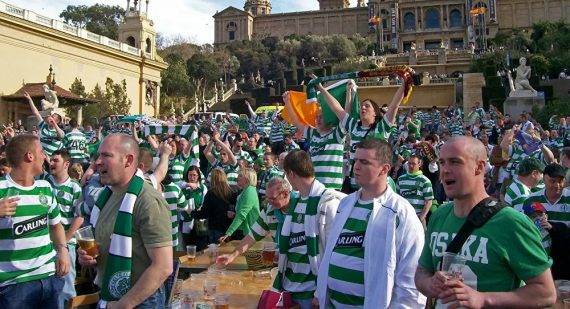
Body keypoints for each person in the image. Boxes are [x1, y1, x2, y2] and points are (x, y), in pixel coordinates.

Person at [415, 136, 556, 308]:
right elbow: (422, 272)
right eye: (443, 162)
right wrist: (430, 284)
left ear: (479, 167)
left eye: (455, 162)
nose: (445, 170)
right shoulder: (439, 216)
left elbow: (546, 293)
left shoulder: (511, 222)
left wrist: (483, 299)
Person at [316, 139, 426, 308]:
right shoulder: (345, 204)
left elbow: (410, 281)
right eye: (356, 160)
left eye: (364, 162)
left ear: (384, 169)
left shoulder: (401, 213)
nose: (356, 167)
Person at [78, 134, 173, 308]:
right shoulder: (106, 197)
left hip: (141, 301)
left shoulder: (148, 200)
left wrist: (124, 305)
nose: (98, 162)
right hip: (108, 294)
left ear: (128, 160)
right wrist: (88, 257)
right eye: (98, 156)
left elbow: (163, 266)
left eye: (106, 156)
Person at [0, 134, 70, 308]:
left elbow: (56, 225)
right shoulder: (1, 188)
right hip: (13, 285)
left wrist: (62, 250)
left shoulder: (45, 188)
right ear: (30, 156)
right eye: (41, 152)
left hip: (49, 277)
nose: (45, 157)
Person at [272, 150, 344, 309]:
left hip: (312, 292)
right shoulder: (296, 201)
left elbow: (332, 252)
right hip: (290, 287)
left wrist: (320, 293)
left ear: (290, 174)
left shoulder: (327, 203)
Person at [317, 75, 405, 192]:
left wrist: (405, 84)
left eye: (367, 106)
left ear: (375, 112)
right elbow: (336, 108)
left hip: (376, 188)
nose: (363, 108)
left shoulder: (381, 127)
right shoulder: (353, 126)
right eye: (362, 106)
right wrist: (321, 88)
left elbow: (394, 106)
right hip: (355, 187)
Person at [216, 177, 292, 265]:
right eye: (268, 198)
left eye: (273, 198)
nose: (269, 202)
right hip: (282, 263)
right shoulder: (269, 210)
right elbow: (252, 236)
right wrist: (232, 255)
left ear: (285, 194)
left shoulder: (301, 207)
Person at [283, 90, 346, 190]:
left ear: (329, 117)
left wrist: (322, 89)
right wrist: (287, 102)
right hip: (315, 187)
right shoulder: (313, 133)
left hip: (332, 188)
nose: (318, 120)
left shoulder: (337, 133)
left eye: (321, 117)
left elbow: (344, 114)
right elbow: (296, 121)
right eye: (316, 117)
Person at [47, 149, 84, 307]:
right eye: (51, 160)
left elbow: (79, 217)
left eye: (55, 160)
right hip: (47, 242)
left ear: (66, 164)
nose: (51, 163)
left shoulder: (75, 187)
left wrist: (64, 241)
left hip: (66, 243)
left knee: (66, 286)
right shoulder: (45, 181)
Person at [192, 168, 237, 247]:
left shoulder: (211, 193)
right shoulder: (232, 193)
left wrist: (192, 213)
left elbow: (204, 213)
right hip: (228, 230)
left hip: (214, 229)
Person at [219, 168, 260, 242]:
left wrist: (228, 233)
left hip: (249, 232)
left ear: (248, 178)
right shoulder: (245, 191)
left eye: (240, 175)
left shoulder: (250, 190)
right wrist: (235, 214)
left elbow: (242, 215)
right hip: (244, 231)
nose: (237, 177)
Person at [397, 154, 434, 228]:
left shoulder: (425, 181)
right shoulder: (401, 179)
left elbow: (429, 202)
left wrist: (420, 218)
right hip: (403, 219)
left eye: (413, 163)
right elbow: (397, 198)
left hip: (418, 220)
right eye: (409, 163)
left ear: (419, 164)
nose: (410, 166)